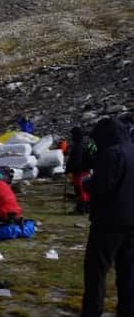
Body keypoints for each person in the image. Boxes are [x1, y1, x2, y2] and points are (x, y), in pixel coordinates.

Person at [81, 118, 134, 317]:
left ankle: (92, 312)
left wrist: (88, 184)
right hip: (131, 221)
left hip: (108, 222)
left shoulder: (112, 154)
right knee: (128, 273)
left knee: (96, 274)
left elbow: (102, 187)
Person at [67, 127, 96, 213]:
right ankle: (86, 208)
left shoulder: (78, 146)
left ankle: (81, 209)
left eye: (72, 135)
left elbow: (75, 160)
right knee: (84, 190)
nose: (71, 137)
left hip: (79, 171)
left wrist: (69, 170)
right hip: (85, 171)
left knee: (80, 190)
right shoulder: (85, 144)